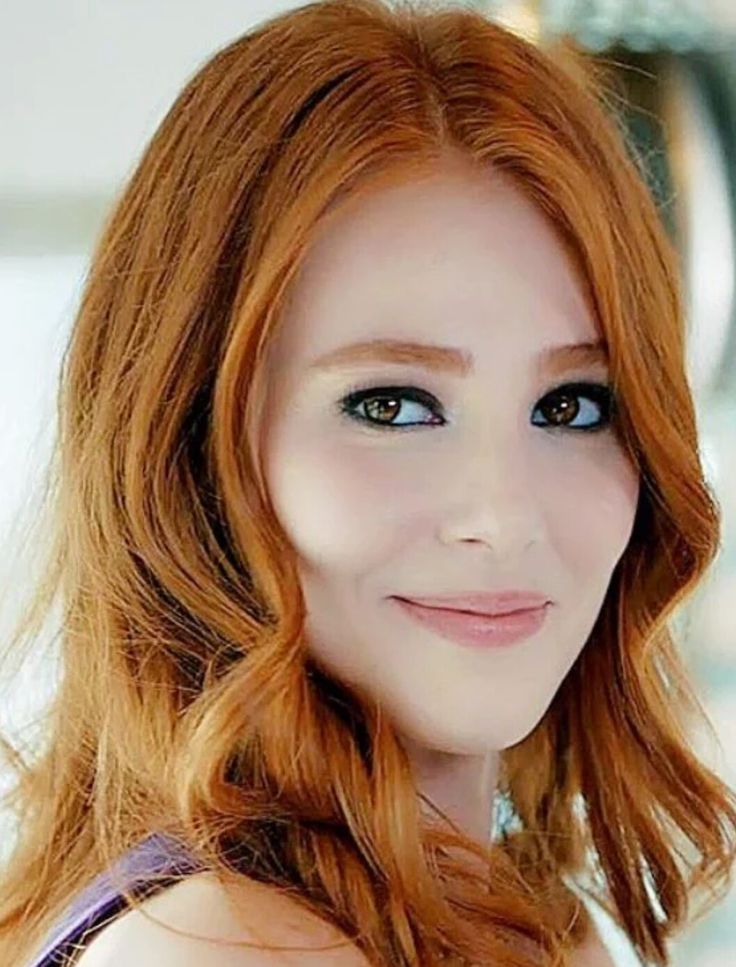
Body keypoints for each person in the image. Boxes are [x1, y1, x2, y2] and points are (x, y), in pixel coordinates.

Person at [1, 0, 734, 964]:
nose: (502, 517)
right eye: (392, 405)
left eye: (572, 406)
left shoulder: (527, 918)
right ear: (188, 439)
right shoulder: (239, 947)